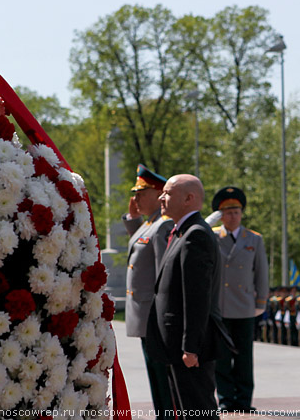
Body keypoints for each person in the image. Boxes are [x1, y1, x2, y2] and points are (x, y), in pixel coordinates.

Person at [146, 174, 223, 419]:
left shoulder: (195, 235)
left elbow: (197, 298)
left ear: (189, 199)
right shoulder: (182, 232)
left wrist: (191, 347)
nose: (161, 197)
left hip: (188, 348)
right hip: (176, 345)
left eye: (167, 193)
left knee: (198, 411)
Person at [211, 186, 269, 413]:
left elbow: (261, 272)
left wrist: (261, 302)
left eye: (236, 212)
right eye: (227, 212)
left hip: (245, 307)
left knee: (244, 358)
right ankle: (226, 399)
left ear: (241, 213)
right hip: (221, 306)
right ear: (220, 214)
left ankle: (244, 400)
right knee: (222, 358)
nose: (232, 216)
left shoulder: (253, 239)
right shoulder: (213, 235)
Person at [122, 164, 173, 418]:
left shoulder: (163, 226)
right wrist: (133, 220)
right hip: (145, 315)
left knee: (163, 377)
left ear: (157, 194)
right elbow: (140, 245)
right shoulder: (150, 225)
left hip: (154, 315)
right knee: (154, 374)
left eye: (141, 194)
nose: (135, 199)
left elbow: (163, 276)